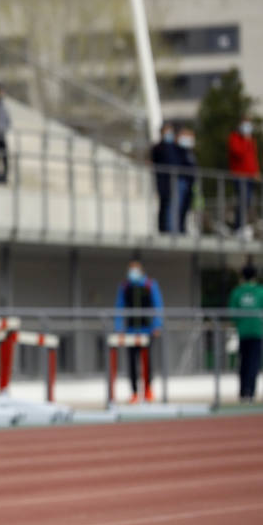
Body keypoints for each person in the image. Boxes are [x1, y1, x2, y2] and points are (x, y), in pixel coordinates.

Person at [113, 259, 163, 403]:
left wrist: (157, 325)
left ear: (141, 271)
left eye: (135, 270)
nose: (132, 274)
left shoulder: (150, 285)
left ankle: (148, 390)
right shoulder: (125, 287)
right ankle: (134, 392)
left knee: (147, 362)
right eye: (130, 270)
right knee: (131, 363)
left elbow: (158, 305)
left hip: (147, 330)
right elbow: (119, 307)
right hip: (130, 331)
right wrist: (119, 328)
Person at [228, 263, 263, 401]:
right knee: (253, 363)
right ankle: (251, 392)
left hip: (242, 332)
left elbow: (232, 314)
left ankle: (243, 392)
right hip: (256, 331)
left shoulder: (237, 292)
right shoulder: (260, 291)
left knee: (243, 362)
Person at [228, 118, 260, 236]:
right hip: (240, 176)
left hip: (250, 177)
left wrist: (256, 171)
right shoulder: (235, 138)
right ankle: (238, 226)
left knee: (248, 202)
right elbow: (238, 152)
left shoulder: (251, 140)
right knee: (243, 200)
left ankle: (243, 225)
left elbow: (252, 158)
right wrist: (246, 141)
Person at [149, 123, 180, 234]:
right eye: (167, 131)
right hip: (162, 180)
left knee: (174, 205)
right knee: (164, 204)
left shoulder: (175, 147)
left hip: (174, 179)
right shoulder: (158, 148)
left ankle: (174, 227)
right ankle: (163, 229)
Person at [176, 125, 197, 234]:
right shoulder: (179, 151)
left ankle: (182, 228)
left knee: (186, 208)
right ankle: (177, 229)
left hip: (189, 183)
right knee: (178, 208)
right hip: (181, 181)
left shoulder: (190, 152)